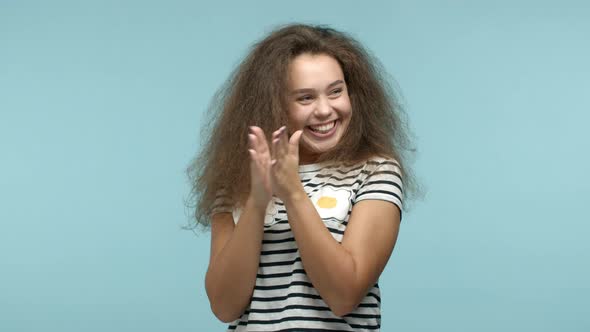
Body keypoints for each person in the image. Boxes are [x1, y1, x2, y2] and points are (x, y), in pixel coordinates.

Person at [187, 23, 418, 331]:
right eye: (305, 98)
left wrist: (293, 193)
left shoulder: (376, 171)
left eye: (336, 91)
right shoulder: (238, 181)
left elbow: (344, 294)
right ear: (274, 104)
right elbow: (225, 306)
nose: (325, 110)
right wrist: (258, 201)